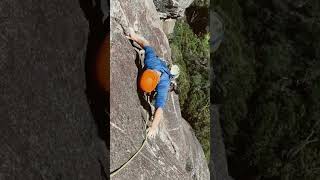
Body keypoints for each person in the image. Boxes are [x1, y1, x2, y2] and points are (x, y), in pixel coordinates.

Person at [127, 28, 173, 139]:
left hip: (165, 72)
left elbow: (160, 108)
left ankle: (173, 79)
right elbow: (146, 44)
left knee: (157, 100)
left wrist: (154, 127)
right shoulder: (150, 61)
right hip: (158, 63)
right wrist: (134, 37)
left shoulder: (163, 84)